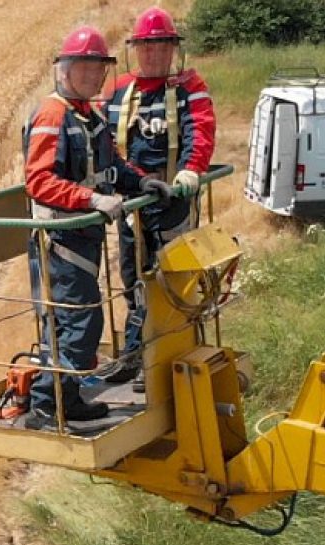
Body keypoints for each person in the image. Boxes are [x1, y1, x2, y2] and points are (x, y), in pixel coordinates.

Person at [23, 25, 172, 430]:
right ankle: (48, 405)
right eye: (84, 68)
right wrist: (91, 200)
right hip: (60, 239)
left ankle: (65, 400)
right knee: (76, 321)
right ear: (64, 70)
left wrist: (139, 181)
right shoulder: (53, 115)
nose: (91, 76)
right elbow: (39, 181)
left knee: (78, 320)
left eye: (97, 69)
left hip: (81, 237)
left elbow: (112, 165)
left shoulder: (88, 115)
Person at [103, 7, 216, 387]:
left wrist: (190, 170)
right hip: (132, 207)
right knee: (134, 279)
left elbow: (200, 130)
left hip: (171, 204)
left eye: (161, 46)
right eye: (146, 47)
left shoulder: (188, 87)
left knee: (172, 279)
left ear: (173, 49)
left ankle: (167, 355)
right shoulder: (118, 91)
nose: (153, 54)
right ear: (136, 49)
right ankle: (138, 356)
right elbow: (103, 143)